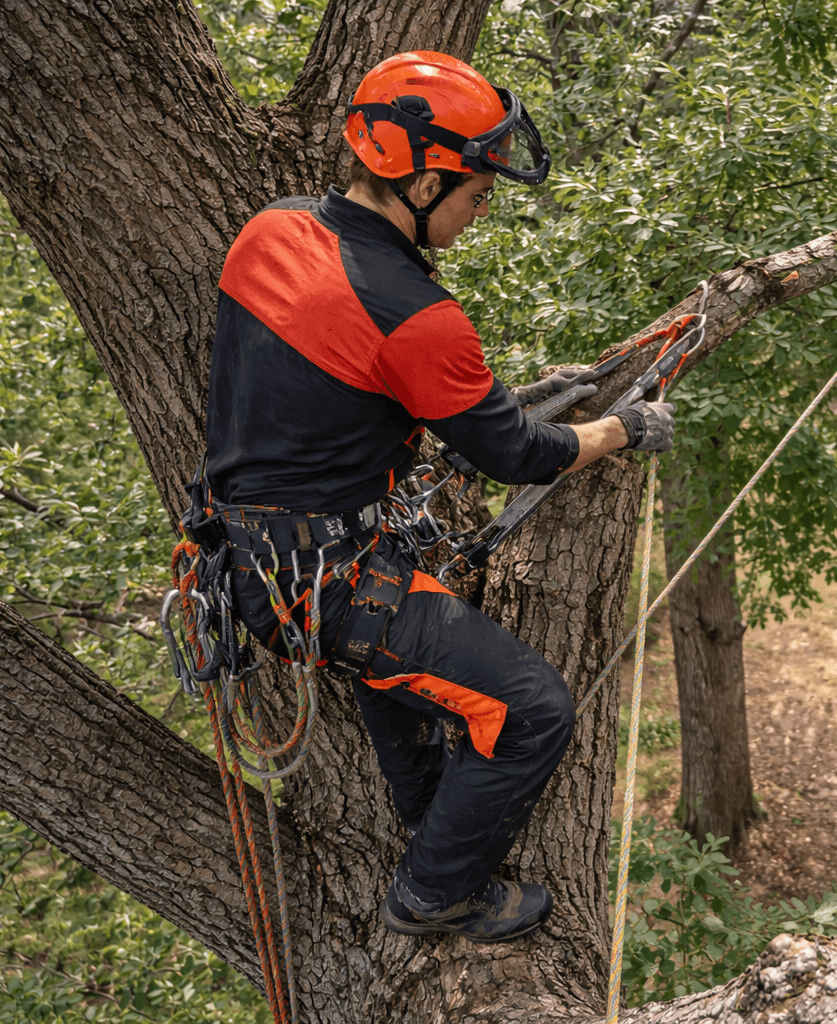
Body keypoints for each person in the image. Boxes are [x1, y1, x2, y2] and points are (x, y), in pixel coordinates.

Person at [203, 50, 675, 943]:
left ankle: (428, 820)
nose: (482, 207)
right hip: (325, 580)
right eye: (476, 191)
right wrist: (622, 430)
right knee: (535, 711)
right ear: (421, 177)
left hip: (258, 553)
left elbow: (351, 386)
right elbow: (518, 454)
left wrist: (515, 391)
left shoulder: (271, 230)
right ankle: (434, 891)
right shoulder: (417, 313)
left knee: (405, 679)